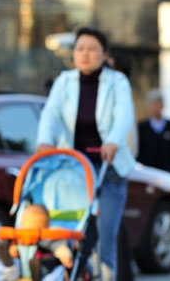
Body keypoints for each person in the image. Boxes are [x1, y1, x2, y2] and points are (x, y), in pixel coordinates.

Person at [36, 26, 136, 281]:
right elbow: (51, 114)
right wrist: (44, 142)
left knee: (105, 236)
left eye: (92, 49)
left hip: (108, 167)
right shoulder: (64, 81)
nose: (85, 54)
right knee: (77, 233)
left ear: (104, 54)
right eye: (80, 48)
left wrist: (113, 141)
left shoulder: (117, 82)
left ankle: (107, 275)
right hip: (75, 170)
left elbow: (123, 115)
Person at [0, 204, 73, 281]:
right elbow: (14, 245)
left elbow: (58, 247)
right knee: (3, 265)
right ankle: (8, 264)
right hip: (20, 268)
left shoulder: (49, 235)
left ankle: (38, 270)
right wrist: (12, 249)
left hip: (42, 262)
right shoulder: (20, 234)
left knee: (56, 268)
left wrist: (64, 254)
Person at [137, 89, 170, 174]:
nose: (156, 106)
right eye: (153, 104)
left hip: (169, 174)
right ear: (148, 106)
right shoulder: (141, 127)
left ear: (163, 105)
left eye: (159, 103)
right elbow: (139, 152)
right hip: (148, 174)